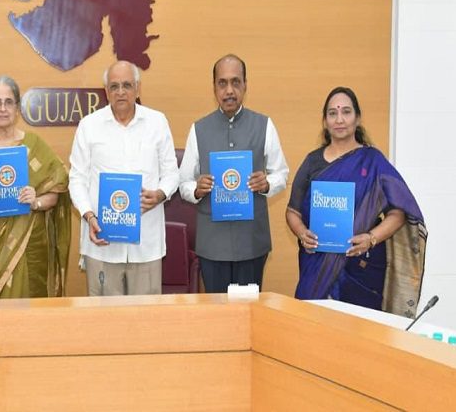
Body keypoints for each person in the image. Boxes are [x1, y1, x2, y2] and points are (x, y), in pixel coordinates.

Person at [286, 86, 427, 316]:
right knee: (314, 326)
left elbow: (399, 212)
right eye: (332, 113)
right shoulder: (312, 162)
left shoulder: (373, 161)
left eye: (346, 112)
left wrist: (371, 238)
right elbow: (292, 211)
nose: (339, 119)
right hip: (317, 267)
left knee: (360, 331)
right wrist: (302, 233)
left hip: (362, 268)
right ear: (325, 121)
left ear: (357, 118)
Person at [178, 54, 289, 293]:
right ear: (214, 87)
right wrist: (196, 189)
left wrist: (267, 184)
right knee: (217, 310)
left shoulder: (264, 125)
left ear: (245, 85)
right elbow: (184, 182)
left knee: (248, 309)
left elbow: (281, 173)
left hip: (252, 241)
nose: (229, 90)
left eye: (236, 82)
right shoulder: (198, 129)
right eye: (223, 83)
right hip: (212, 243)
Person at [69, 61, 179, 296]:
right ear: (106, 91)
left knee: (146, 314)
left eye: (127, 85)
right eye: (114, 86)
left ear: (138, 88)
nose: (120, 92)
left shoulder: (157, 122)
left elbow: (172, 173)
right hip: (102, 242)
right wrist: (89, 216)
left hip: (145, 243)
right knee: (104, 315)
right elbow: (76, 179)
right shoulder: (89, 126)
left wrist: (160, 194)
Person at [0, 76, 72, 299]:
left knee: (29, 312)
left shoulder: (34, 145)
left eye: (8, 102)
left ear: (17, 108)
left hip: (29, 246)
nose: (2, 108)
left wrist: (36, 201)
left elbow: (57, 189)